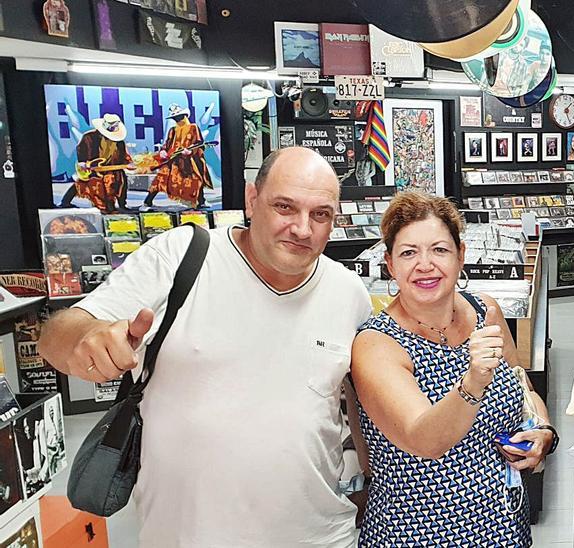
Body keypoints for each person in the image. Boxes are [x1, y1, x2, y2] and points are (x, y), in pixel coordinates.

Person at [38, 147, 369, 546]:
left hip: (319, 536)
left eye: (320, 214)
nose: (302, 228)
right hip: (186, 536)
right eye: (285, 207)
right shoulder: (181, 256)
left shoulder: (348, 292)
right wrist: (84, 339)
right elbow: (57, 335)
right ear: (252, 199)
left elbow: (359, 410)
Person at [350, 190, 556, 546]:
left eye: (439, 250)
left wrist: (544, 433)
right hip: (418, 532)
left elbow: (524, 390)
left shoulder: (485, 311)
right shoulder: (376, 344)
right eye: (409, 253)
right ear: (390, 264)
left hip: (505, 526)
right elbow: (425, 439)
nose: (425, 265)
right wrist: (473, 382)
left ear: (461, 255)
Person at [60, 114, 134, 212]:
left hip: (112, 169)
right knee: (81, 184)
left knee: (121, 183)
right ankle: (65, 202)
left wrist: (129, 163)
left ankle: (121, 205)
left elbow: (124, 155)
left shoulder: (119, 142)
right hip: (92, 167)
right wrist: (82, 162)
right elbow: (81, 149)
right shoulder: (89, 137)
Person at [145, 104, 213, 209]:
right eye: (175, 118)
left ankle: (201, 201)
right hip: (173, 160)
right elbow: (167, 144)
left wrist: (190, 151)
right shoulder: (173, 130)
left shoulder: (193, 127)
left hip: (189, 161)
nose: (178, 120)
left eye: (180, 117)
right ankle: (147, 202)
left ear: (185, 116)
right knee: (161, 179)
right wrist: (163, 151)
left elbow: (199, 143)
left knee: (196, 179)